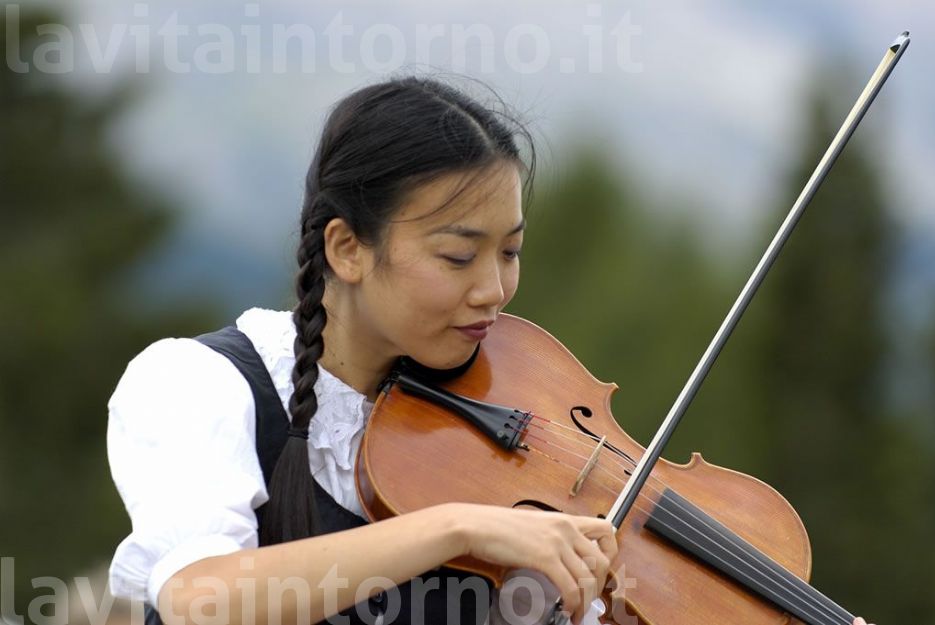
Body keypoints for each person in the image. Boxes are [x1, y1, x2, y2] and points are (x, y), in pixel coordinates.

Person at [105, 76, 876, 625]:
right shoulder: (202, 386)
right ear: (346, 247)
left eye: (510, 251)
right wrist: (460, 526)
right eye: (458, 255)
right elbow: (200, 600)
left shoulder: (507, 399)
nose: (495, 289)